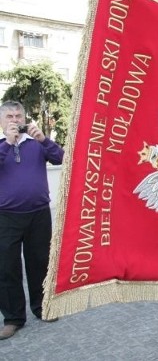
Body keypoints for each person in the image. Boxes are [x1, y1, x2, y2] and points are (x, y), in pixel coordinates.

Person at [0, 100, 63, 340]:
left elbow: (62, 159)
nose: (15, 120)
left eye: (18, 116)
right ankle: (13, 318)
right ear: (1, 121)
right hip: (6, 216)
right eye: (9, 117)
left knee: (40, 263)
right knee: (7, 267)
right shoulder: (0, 144)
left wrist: (44, 140)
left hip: (38, 214)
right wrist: (7, 143)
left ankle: (42, 307)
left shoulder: (36, 144)